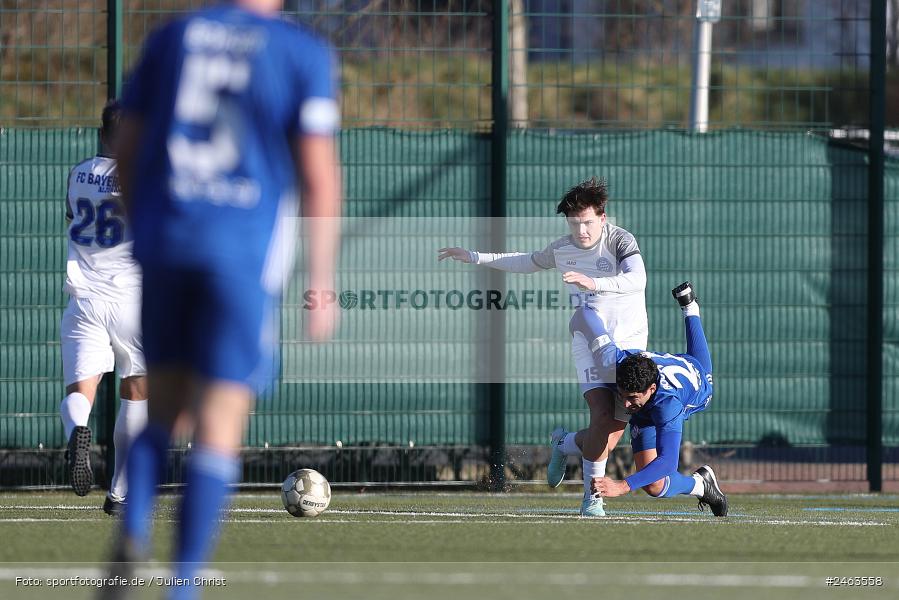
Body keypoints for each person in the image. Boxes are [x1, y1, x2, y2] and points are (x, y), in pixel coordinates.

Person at [108, 0, 341, 596]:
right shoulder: (300, 52)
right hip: (240, 255)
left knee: (161, 407)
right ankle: (182, 584)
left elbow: (127, 154)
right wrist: (321, 280)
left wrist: (147, 241)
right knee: (219, 419)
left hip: (168, 244)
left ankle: (131, 531)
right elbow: (318, 173)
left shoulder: (173, 37)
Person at [438, 177, 648, 516]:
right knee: (602, 414)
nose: (581, 231)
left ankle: (564, 444)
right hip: (588, 340)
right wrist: (476, 257)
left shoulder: (620, 240)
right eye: (575, 223)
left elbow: (638, 279)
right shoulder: (562, 248)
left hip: (630, 343)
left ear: (603, 218)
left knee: (608, 437)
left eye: (588, 222)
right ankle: (591, 499)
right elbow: (527, 261)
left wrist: (594, 282)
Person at [570, 281, 727, 517]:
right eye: (622, 395)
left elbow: (667, 462)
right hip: (660, 384)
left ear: (652, 388)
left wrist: (622, 486)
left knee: (654, 482)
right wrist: (577, 322)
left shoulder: (668, 406)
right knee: (654, 486)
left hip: (697, 386)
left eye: (632, 397)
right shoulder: (614, 360)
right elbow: (584, 314)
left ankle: (691, 308)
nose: (624, 405)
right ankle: (701, 485)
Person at [60, 100, 148, 516]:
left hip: (85, 299)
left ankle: (78, 430)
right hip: (134, 300)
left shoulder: (77, 174)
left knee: (81, 392)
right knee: (138, 389)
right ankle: (119, 493)